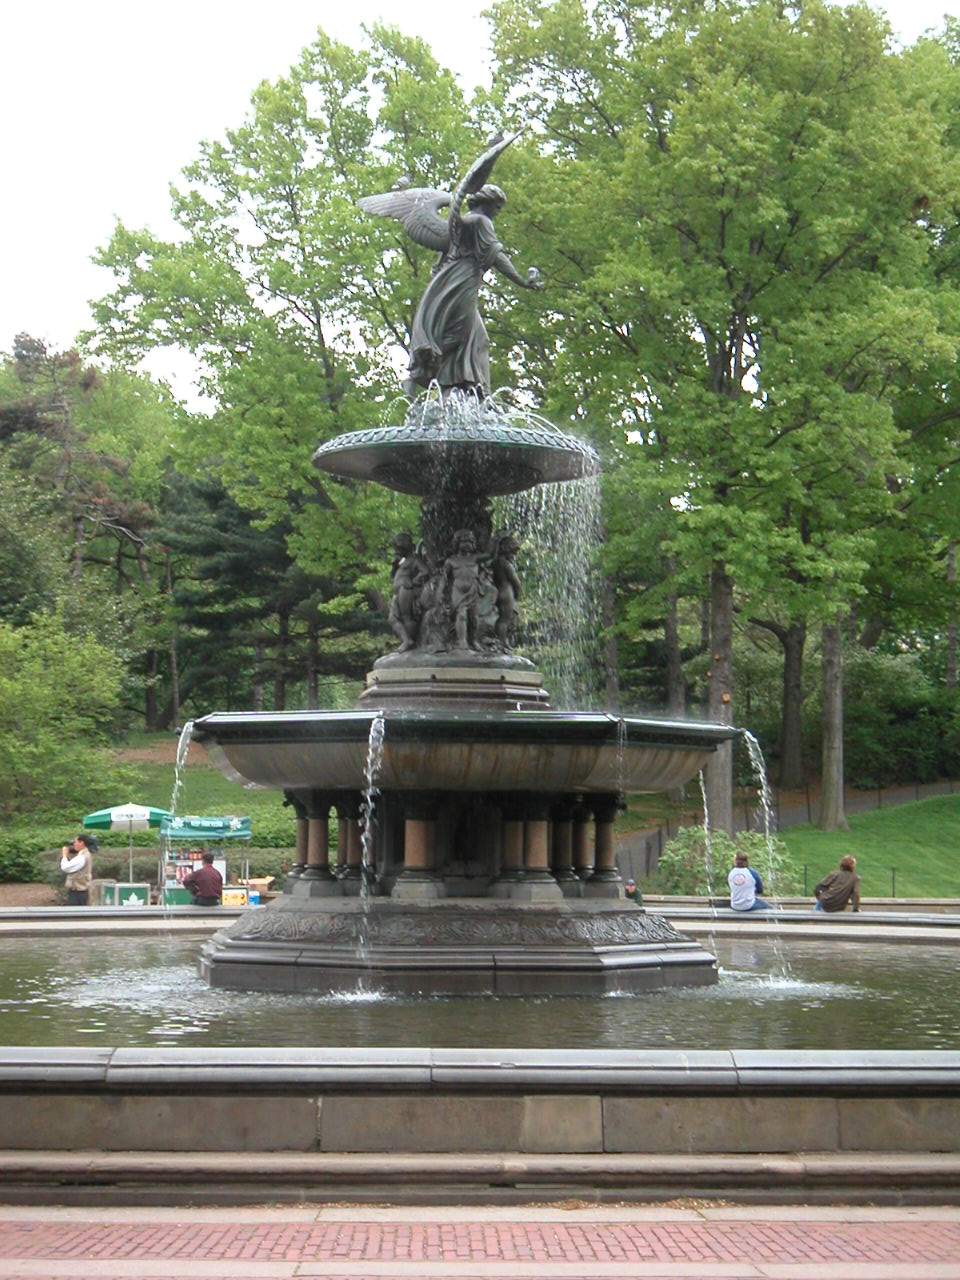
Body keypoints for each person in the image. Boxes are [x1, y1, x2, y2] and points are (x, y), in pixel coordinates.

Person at [60, 834, 96, 906]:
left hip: (78, 893)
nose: (73, 844)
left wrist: (64, 855)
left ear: (81, 843)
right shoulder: (84, 854)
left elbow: (65, 867)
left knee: (74, 912)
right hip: (80, 892)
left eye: (75, 842)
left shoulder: (82, 857)